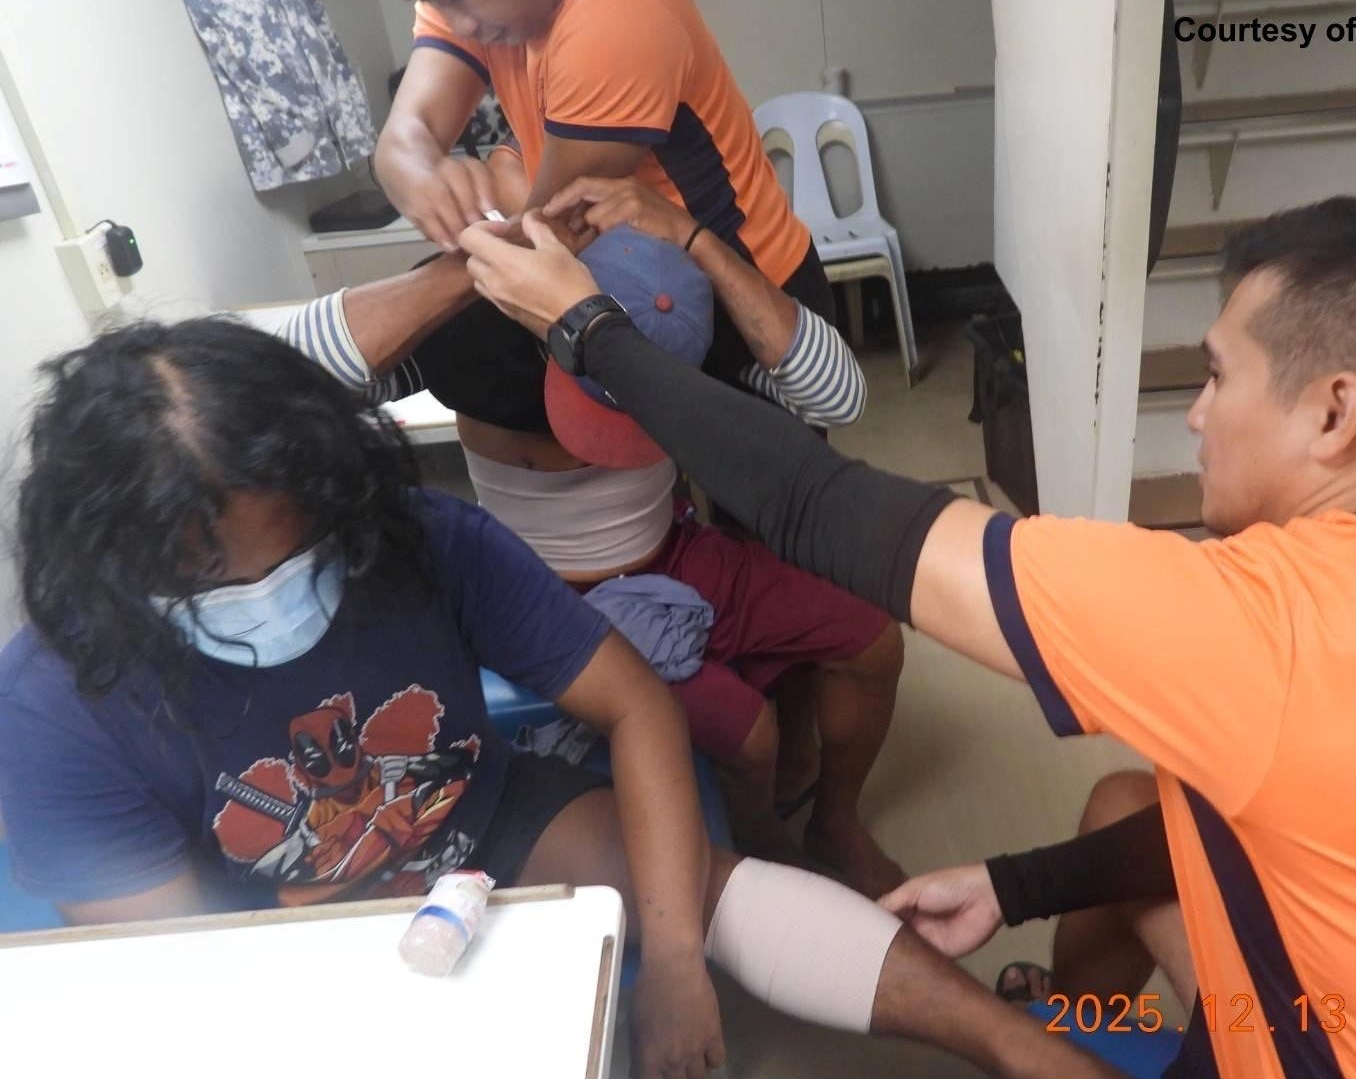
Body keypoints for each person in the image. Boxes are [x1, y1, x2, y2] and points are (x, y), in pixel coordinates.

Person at [459, 194, 1356, 1077]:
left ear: (1336, 412)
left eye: (1218, 376)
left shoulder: (1264, 626)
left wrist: (585, 328)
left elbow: (820, 504)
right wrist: (1016, 885)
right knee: (1129, 806)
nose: (1199, 413)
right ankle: (1079, 1021)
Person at [0, 317, 1125, 1079]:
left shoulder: (418, 538)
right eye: (215, 582)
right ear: (115, 567)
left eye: (297, 560)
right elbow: (183, 971)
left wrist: (674, 961)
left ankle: (1024, 1046)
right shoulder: (56, 706)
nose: (271, 597)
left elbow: (636, 705)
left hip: (479, 817)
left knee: (712, 890)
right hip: (271, 921)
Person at [244, 172, 904, 897]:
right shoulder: (475, 331)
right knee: (753, 737)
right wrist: (467, 268)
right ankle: (768, 851)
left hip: (678, 551)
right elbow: (269, 381)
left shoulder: (664, 297)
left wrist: (699, 243)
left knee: (872, 637)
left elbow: (840, 394)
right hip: (545, 595)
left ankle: (835, 822)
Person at [376, 0, 830, 393]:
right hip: (631, 279)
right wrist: (416, 172)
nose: (460, 24)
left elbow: (548, 231)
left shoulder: (616, 19)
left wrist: (399, 320)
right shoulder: (481, 12)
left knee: (767, 470)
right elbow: (403, 138)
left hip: (742, 287)